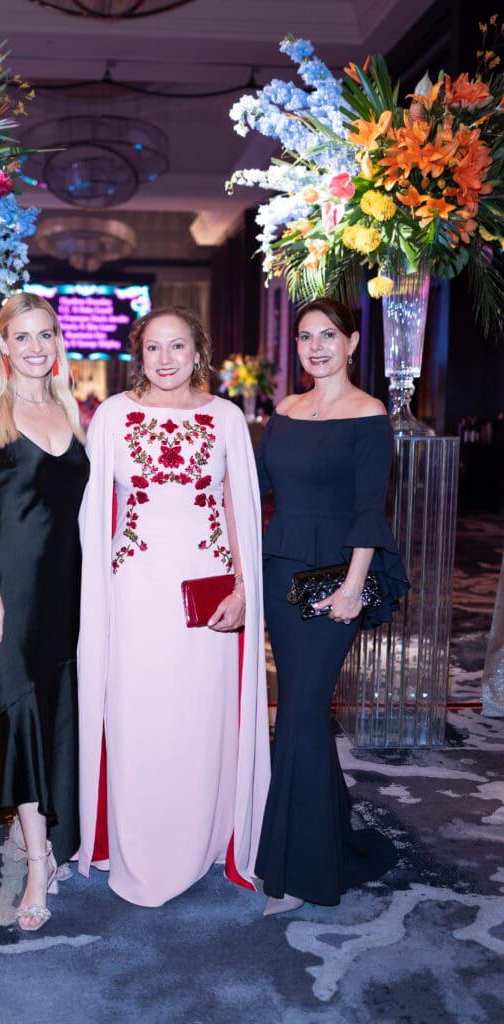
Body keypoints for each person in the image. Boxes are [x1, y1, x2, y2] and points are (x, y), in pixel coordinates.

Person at [77, 306, 271, 907]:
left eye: (178, 347)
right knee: (139, 714)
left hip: (205, 595)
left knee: (201, 713)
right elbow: (91, 515)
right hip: (132, 590)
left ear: (198, 353)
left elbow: (240, 510)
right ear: (140, 352)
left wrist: (243, 589)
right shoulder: (112, 416)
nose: (166, 359)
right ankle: (139, 846)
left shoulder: (226, 419)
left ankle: (206, 837)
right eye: (154, 347)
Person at [255, 297, 409, 915]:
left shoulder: (369, 415)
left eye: (328, 335)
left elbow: (370, 509)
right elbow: (256, 485)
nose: (315, 347)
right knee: (299, 712)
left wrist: (352, 587)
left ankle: (297, 873)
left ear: (352, 343)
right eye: (304, 337)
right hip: (279, 567)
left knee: (301, 710)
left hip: (334, 577)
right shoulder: (286, 411)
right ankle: (324, 842)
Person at [0, 292, 89, 932]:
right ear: (3, 346)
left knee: (60, 709)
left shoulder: (69, 407)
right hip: (13, 589)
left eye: (46, 335)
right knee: (24, 713)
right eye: (23, 337)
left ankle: (43, 834)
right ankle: (39, 863)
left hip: (71, 588)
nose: (36, 347)